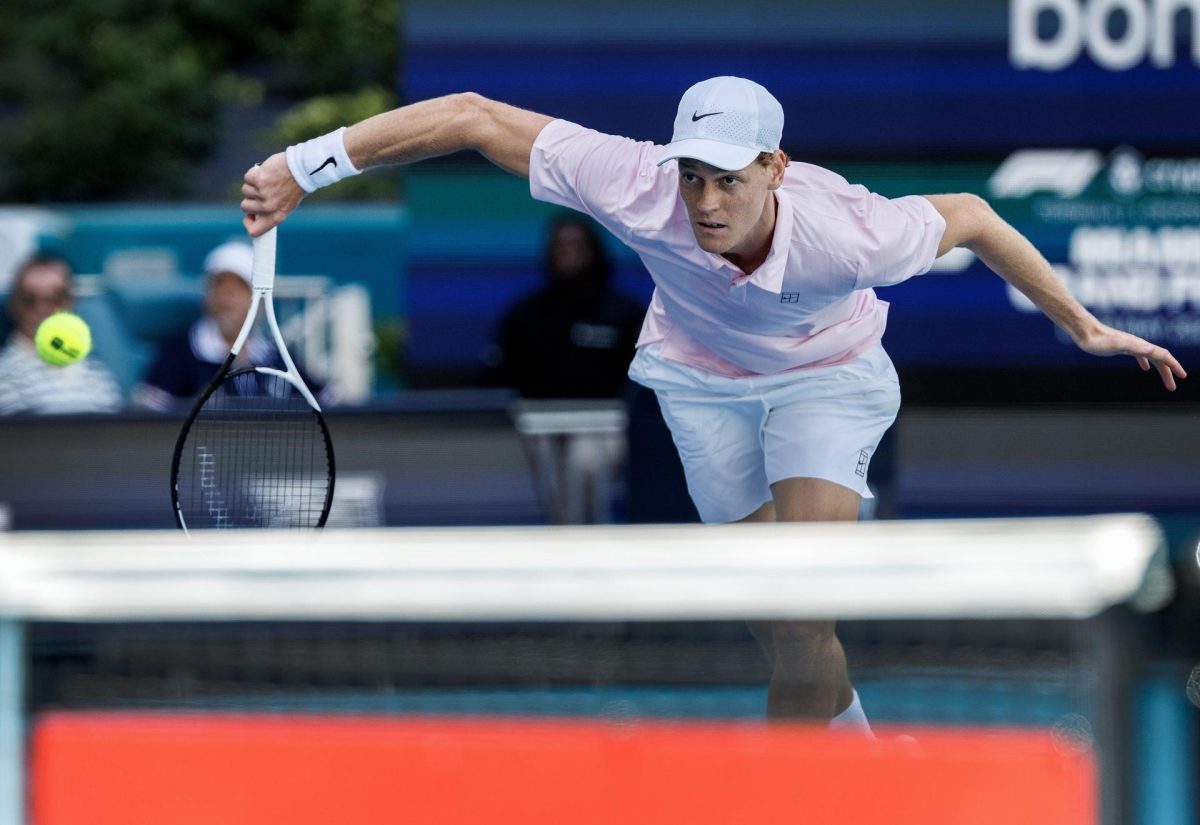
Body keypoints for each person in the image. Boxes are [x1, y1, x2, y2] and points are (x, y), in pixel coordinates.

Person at [240, 76, 1186, 732]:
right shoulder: (638, 184)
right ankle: (858, 763)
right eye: (693, 173)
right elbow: (472, 115)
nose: (702, 200)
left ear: (777, 167)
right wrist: (304, 164)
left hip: (828, 379)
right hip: (698, 384)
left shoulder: (853, 235)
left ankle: (785, 796)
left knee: (800, 604)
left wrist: (1081, 324)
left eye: (728, 177)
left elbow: (976, 219)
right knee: (776, 626)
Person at [134, 239, 332, 411]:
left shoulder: (279, 357)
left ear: (260, 301)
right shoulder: (176, 354)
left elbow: (328, 402)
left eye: (240, 287)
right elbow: (151, 420)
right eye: (219, 284)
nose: (227, 295)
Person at [481, 213, 645, 399]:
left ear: (594, 251)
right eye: (559, 246)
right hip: (532, 420)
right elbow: (495, 376)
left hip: (612, 419)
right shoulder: (525, 313)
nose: (566, 253)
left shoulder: (626, 313)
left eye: (576, 245)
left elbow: (644, 379)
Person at [0, 253, 123, 415]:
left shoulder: (97, 372)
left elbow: (116, 434)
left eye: (56, 298)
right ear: (14, 305)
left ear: (71, 302)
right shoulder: (5, 374)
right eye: (29, 299)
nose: (42, 308)